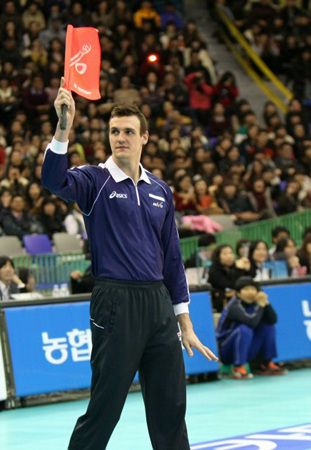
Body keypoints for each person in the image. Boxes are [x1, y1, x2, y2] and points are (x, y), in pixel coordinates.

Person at [41, 78, 218, 450]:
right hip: (115, 302)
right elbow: (52, 179)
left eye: (128, 132)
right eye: (114, 131)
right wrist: (64, 126)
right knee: (105, 406)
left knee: (170, 406)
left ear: (145, 138)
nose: (120, 137)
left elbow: (172, 258)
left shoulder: (160, 190)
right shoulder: (94, 180)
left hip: (157, 305)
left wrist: (184, 323)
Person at [216, 276, 286, 379]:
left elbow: (273, 320)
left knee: (268, 327)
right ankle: (238, 367)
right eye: (246, 289)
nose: (250, 292)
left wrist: (267, 303)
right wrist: (261, 306)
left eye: (253, 289)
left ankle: (266, 364)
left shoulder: (257, 303)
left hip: (246, 347)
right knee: (244, 329)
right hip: (226, 351)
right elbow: (251, 322)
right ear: (238, 293)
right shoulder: (234, 306)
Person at [208, 244, 251, 312]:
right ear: (218, 256)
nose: (229, 256)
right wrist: (238, 269)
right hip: (221, 306)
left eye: (231, 253)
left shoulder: (235, 267)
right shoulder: (213, 271)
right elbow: (230, 284)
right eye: (225, 254)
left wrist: (247, 270)